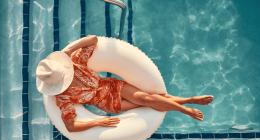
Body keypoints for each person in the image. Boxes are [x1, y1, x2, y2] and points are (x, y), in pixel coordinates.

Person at [36, 35, 213, 132]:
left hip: (112, 85)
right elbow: (71, 126)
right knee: (149, 101)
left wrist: (67, 51)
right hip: (109, 103)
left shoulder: (75, 62)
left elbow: (93, 40)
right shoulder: (62, 96)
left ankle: (186, 108)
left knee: (146, 99)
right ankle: (188, 100)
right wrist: (96, 123)